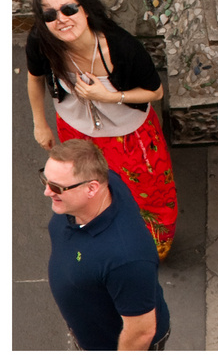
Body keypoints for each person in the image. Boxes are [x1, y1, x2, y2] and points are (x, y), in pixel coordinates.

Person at [27, 0, 178, 260]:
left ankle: (154, 249)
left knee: (150, 193)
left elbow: (155, 92)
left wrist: (109, 97)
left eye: (68, 9)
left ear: (85, 8)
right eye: (49, 14)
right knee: (84, 188)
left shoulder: (121, 47)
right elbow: (35, 79)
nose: (61, 20)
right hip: (76, 129)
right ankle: (100, 237)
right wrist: (39, 122)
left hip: (129, 134)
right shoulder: (42, 41)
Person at [44, 137, 171, 350]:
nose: (47, 192)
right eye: (46, 180)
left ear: (92, 189)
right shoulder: (105, 181)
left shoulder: (127, 259)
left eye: (56, 187)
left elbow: (141, 333)